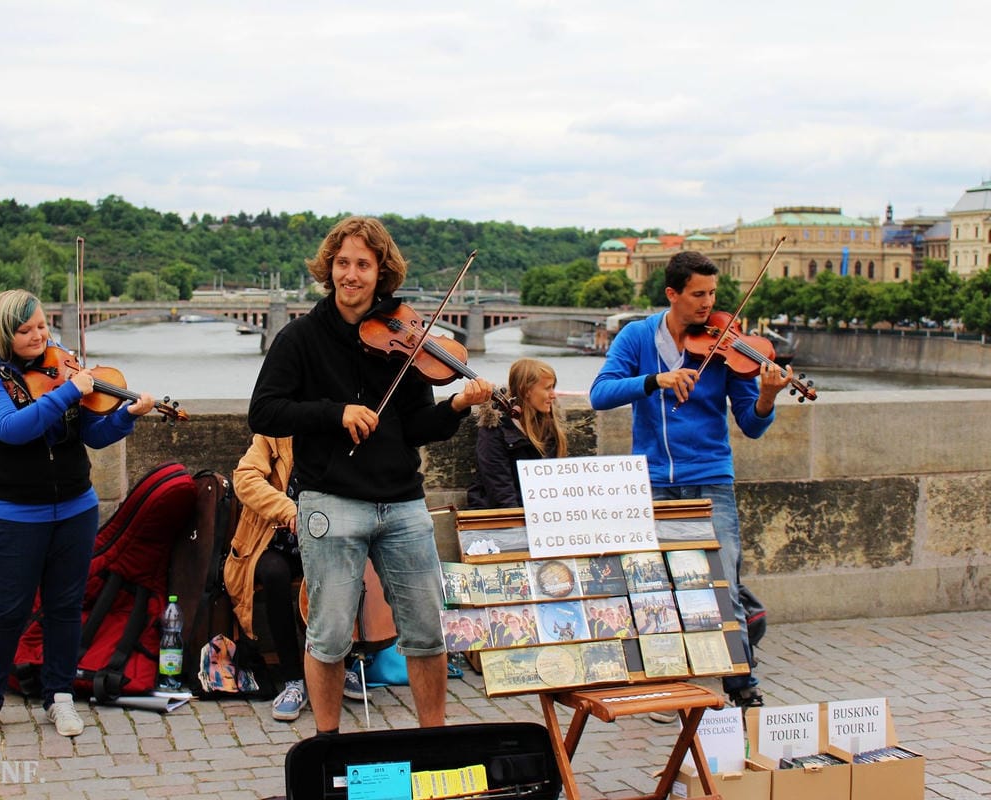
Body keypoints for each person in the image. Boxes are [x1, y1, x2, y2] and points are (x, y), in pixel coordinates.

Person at [248, 215, 493, 733]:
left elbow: (416, 427)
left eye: (363, 264)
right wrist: (333, 413)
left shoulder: (404, 336)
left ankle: (435, 740)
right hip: (330, 502)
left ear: (381, 272)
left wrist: (457, 405)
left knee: (427, 632)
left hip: (402, 501)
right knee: (329, 635)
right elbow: (264, 411)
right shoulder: (300, 338)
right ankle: (328, 743)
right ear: (329, 269)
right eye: (342, 263)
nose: (351, 275)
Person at [590, 251, 792, 714]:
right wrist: (655, 379)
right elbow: (601, 394)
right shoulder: (638, 337)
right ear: (672, 294)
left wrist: (765, 397)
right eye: (698, 294)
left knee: (724, 581)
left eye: (713, 294)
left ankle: (741, 680)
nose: (708, 304)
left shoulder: (726, 346)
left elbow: (751, 423)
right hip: (655, 479)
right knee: (656, 585)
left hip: (710, 477)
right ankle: (667, 678)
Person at [0, 289, 155, 743]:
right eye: (25, 330)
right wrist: (69, 390)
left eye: (42, 326)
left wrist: (126, 417)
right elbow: (12, 429)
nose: (38, 335)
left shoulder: (61, 365)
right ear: (3, 333)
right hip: (16, 514)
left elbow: (94, 433)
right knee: (7, 610)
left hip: (75, 507)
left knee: (66, 608)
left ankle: (59, 695)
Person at [224, 434, 370, 722]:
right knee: (274, 575)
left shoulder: (336, 434)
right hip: (272, 542)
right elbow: (245, 479)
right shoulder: (272, 436)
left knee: (343, 569)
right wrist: (288, 509)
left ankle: (340, 662)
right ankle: (294, 679)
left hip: (325, 538)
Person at [466, 358, 569, 509]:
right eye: (548, 388)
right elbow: (500, 487)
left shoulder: (548, 426)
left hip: (534, 513)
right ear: (525, 390)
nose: (553, 395)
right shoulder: (496, 428)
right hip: (499, 517)